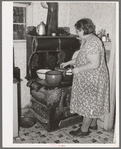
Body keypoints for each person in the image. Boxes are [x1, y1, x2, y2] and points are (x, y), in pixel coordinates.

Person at [60, 18, 110, 136]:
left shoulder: (93, 42)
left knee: (89, 104)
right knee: (92, 102)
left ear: (83, 30)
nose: (77, 33)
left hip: (93, 78)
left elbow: (94, 64)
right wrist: (68, 63)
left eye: (78, 31)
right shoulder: (87, 40)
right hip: (89, 77)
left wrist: (77, 69)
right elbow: (81, 58)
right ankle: (92, 125)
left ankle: (84, 130)